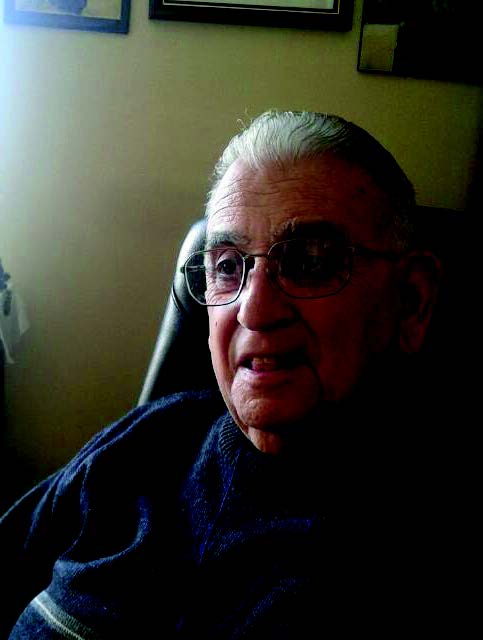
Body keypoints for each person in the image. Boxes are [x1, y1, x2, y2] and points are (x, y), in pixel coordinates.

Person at [0, 110, 465, 637]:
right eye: (226, 265)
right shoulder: (151, 437)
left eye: (312, 260)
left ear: (411, 301)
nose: (255, 309)